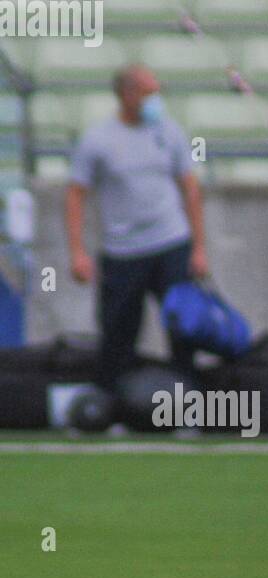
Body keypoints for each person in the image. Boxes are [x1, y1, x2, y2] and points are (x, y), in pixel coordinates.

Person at [65, 64, 208, 394]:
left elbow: (189, 188)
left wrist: (198, 248)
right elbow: (76, 194)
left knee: (183, 329)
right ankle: (112, 403)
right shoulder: (98, 140)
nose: (155, 99)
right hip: (122, 252)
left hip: (171, 243)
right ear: (126, 94)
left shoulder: (168, 132)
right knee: (117, 333)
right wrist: (77, 251)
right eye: (147, 92)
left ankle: (189, 405)